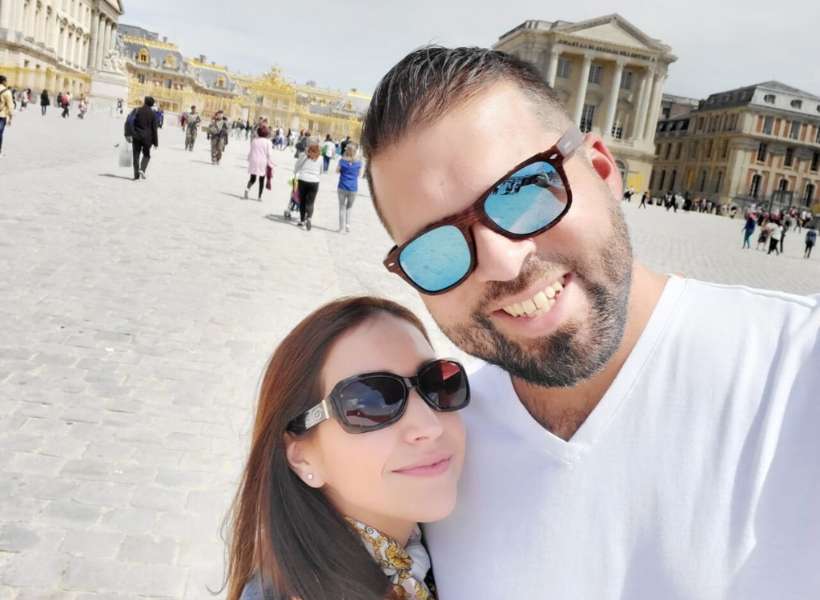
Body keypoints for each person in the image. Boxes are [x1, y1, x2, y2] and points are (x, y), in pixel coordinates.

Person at [361, 46, 820, 599]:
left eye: (523, 192)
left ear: (604, 170)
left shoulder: (800, 365)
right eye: (436, 248)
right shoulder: (434, 455)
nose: (503, 262)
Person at [227, 296, 468, 600]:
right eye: (371, 403)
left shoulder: (442, 547)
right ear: (302, 457)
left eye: (437, 384)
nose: (430, 426)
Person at [124, 96, 159, 180]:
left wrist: (128, 134)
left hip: (136, 136)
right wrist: (155, 142)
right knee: (146, 155)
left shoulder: (137, 110)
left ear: (144, 101)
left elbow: (129, 121)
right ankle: (142, 169)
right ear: (152, 104)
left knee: (136, 156)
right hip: (148, 138)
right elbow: (154, 129)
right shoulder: (153, 114)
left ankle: (136, 176)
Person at [293, 142, 322, 230]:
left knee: (302, 201)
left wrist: (295, 173)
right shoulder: (321, 158)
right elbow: (321, 170)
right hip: (314, 181)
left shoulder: (303, 155)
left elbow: (297, 166)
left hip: (303, 179)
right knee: (310, 202)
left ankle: (302, 220)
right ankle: (309, 218)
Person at [244, 125, 275, 201]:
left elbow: (251, 151)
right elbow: (269, 154)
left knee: (252, 178)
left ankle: (247, 190)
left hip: (254, 160)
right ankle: (259, 197)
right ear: (267, 134)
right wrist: (271, 164)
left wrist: (248, 159)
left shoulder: (254, 140)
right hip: (262, 162)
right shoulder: (268, 142)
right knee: (261, 180)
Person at [336, 142, 363, 232]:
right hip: (353, 188)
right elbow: (359, 174)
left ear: (346, 150)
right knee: (349, 207)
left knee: (341, 207)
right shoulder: (358, 162)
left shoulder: (342, 161)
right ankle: (348, 225)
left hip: (342, 186)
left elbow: (337, 171)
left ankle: (341, 228)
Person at [0, 75, 13, 158]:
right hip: (1, 115)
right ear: (3, 81)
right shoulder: (7, 92)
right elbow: (10, 106)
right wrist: (10, 118)